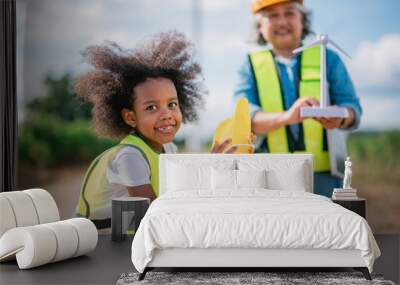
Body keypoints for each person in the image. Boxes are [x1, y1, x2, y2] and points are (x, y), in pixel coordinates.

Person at [75, 31, 232, 229]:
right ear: (130, 117)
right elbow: (153, 211)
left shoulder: (169, 147)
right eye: (151, 107)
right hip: (100, 238)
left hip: (130, 231)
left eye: (172, 104)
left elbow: (178, 191)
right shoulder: (130, 156)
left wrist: (211, 166)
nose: (166, 114)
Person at [233, 0, 362, 197]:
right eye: (272, 15)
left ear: (303, 19)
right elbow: (245, 120)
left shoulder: (329, 58)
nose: (282, 21)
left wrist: (341, 117)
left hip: (324, 179)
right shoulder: (249, 65)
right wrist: (288, 116)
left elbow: (353, 109)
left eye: (289, 13)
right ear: (260, 26)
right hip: (268, 179)